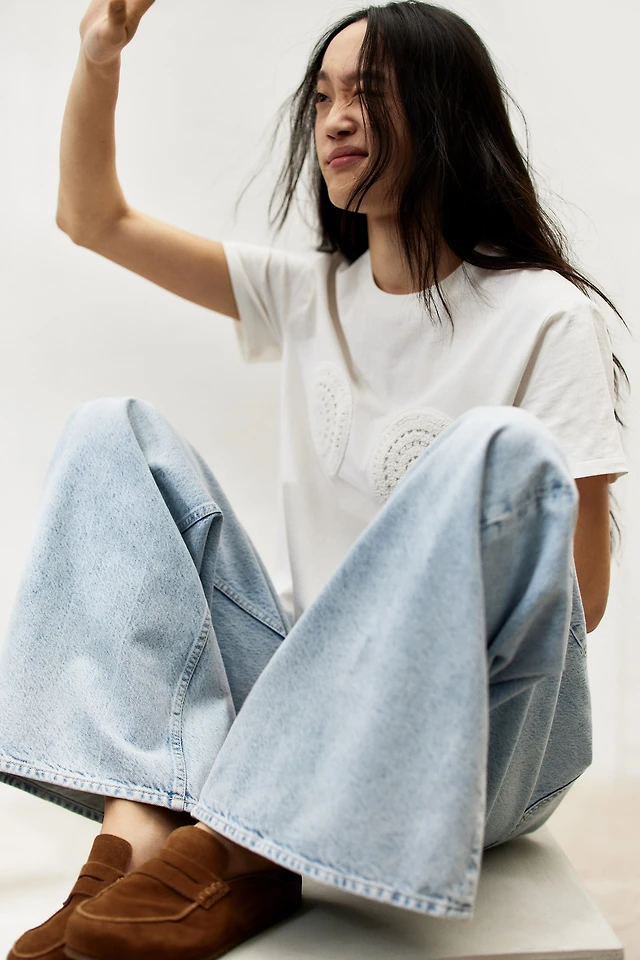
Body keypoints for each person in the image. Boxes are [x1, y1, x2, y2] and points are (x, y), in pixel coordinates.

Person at [2, 1, 630, 958]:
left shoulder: (545, 316)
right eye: (325, 97)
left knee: (496, 449)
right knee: (108, 433)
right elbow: (95, 220)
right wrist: (99, 58)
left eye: (368, 95)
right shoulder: (309, 294)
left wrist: (427, 564)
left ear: (448, 113)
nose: (335, 119)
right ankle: (135, 841)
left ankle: (250, 847)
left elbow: (579, 606)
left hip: (480, 733)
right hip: (295, 709)